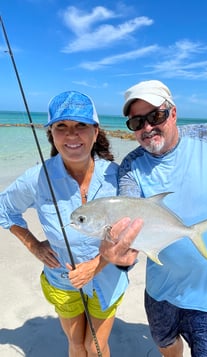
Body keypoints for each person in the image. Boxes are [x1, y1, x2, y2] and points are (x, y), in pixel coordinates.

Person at [100, 80, 207, 357]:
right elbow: (127, 218)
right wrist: (118, 254)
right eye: (136, 122)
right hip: (160, 292)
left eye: (155, 116)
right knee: (166, 345)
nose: (147, 128)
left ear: (173, 113)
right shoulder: (130, 165)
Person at [0, 90, 130, 357]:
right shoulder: (36, 178)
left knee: (94, 347)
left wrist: (96, 265)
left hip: (107, 277)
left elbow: (134, 231)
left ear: (95, 132)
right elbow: (5, 209)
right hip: (61, 278)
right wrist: (33, 245)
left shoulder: (118, 177)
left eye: (81, 126)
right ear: (52, 134)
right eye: (62, 127)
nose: (72, 135)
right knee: (75, 346)